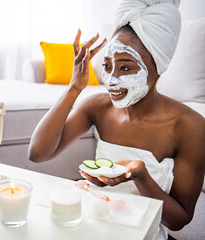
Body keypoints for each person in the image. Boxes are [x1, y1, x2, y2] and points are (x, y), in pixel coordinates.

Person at [28, 0, 205, 239]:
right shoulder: (98, 106)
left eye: (125, 68)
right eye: (107, 66)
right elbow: (38, 153)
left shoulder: (190, 126)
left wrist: (141, 176)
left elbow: (179, 220)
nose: (111, 80)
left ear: (158, 67)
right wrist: (74, 88)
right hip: (93, 229)